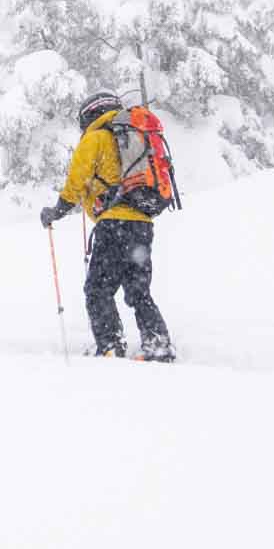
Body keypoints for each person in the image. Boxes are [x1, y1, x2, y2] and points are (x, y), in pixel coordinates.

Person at [40, 92, 175, 362]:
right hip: (142, 223)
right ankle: (157, 344)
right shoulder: (132, 136)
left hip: (114, 225)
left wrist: (57, 210)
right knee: (139, 290)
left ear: (88, 115)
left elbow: (77, 181)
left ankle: (110, 345)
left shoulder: (96, 138)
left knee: (98, 290)